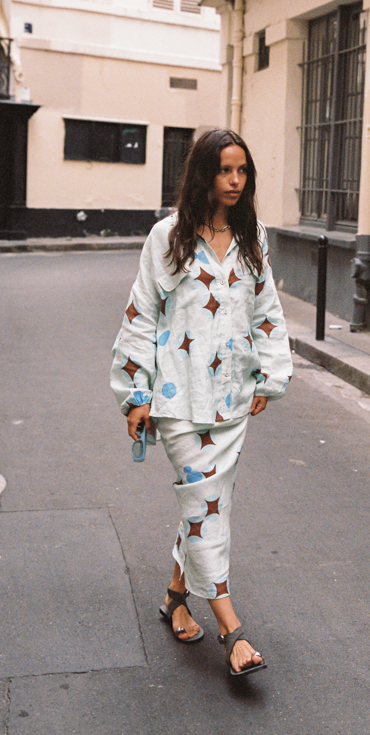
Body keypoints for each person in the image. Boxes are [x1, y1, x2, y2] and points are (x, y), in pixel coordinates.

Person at [110, 128, 293, 677]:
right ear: (203, 174)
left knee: (206, 503)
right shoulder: (168, 237)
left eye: (242, 171)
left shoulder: (252, 236)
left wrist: (269, 376)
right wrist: (136, 393)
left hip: (232, 397)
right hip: (177, 399)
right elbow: (141, 314)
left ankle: (175, 598)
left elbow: (266, 311)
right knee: (205, 502)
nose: (235, 181)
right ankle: (231, 629)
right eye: (224, 170)